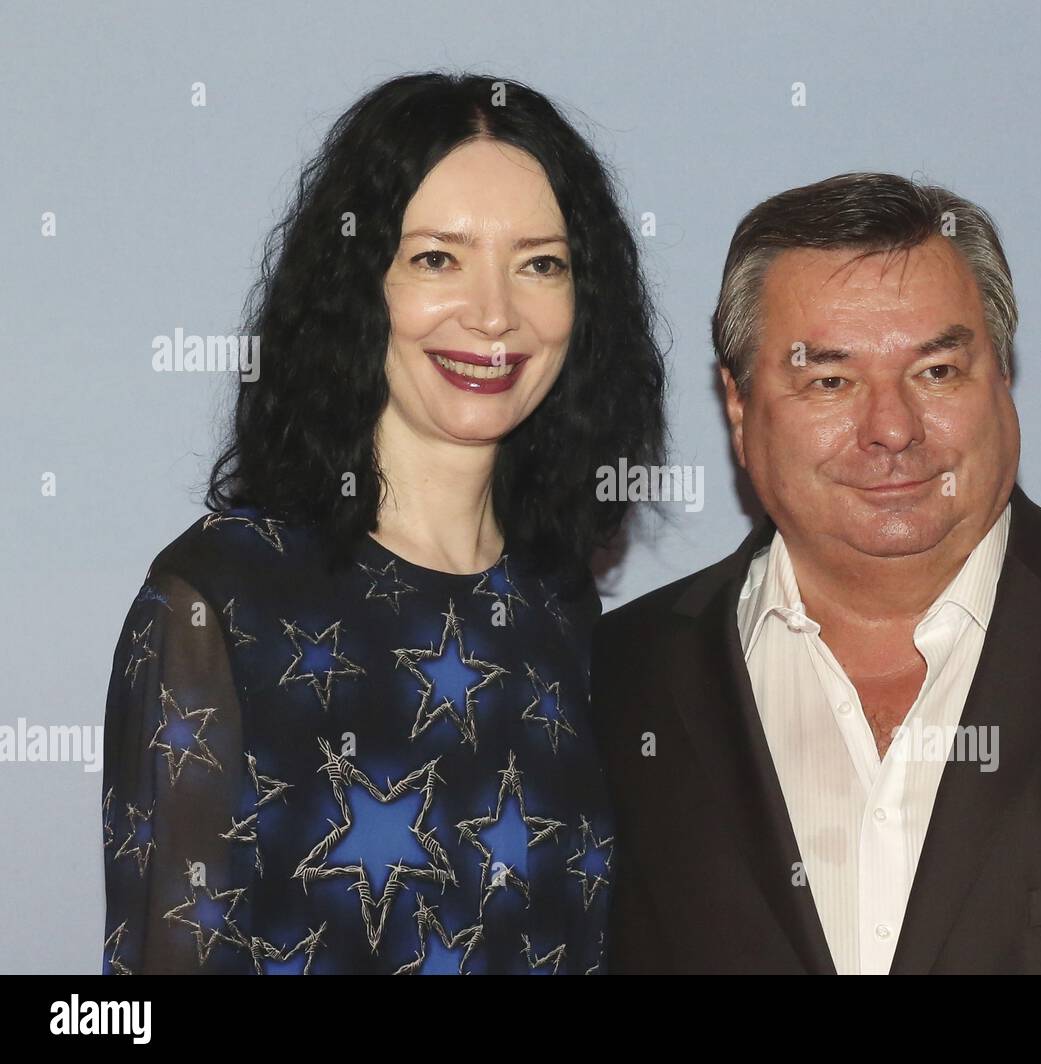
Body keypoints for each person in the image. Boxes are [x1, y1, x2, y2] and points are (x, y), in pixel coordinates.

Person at [590, 172, 1041, 974]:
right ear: (739, 405)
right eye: (830, 380)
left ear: (1002, 376)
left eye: (936, 372)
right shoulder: (614, 680)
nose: (892, 428)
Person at [100, 72, 666, 974]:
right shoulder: (218, 601)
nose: (493, 314)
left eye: (540, 263)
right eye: (438, 258)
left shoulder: (562, 605)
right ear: (359, 283)